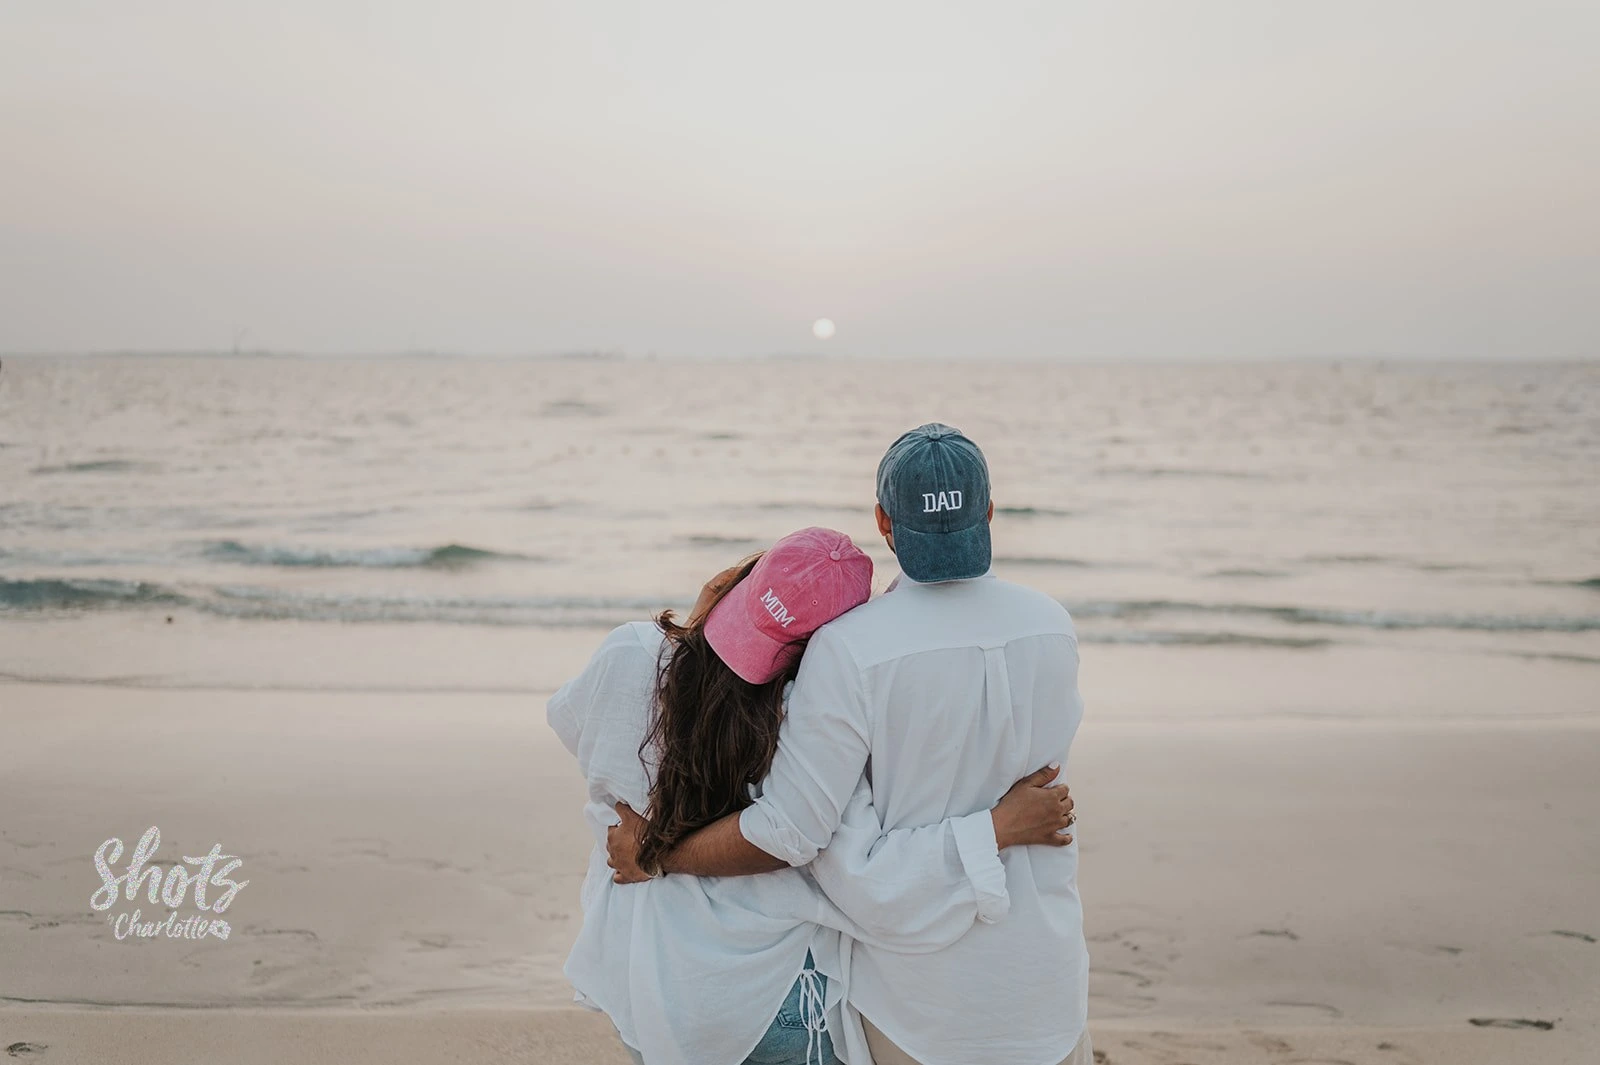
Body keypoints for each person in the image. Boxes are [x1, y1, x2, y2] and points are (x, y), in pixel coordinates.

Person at [607, 425, 1091, 1065]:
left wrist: (660, 853)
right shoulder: (1053, 627)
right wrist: (998, 827)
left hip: (925, 1005)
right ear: (990, 512)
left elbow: (799, 836)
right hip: (1046, 981)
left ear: (883, 521)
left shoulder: (852, 648)